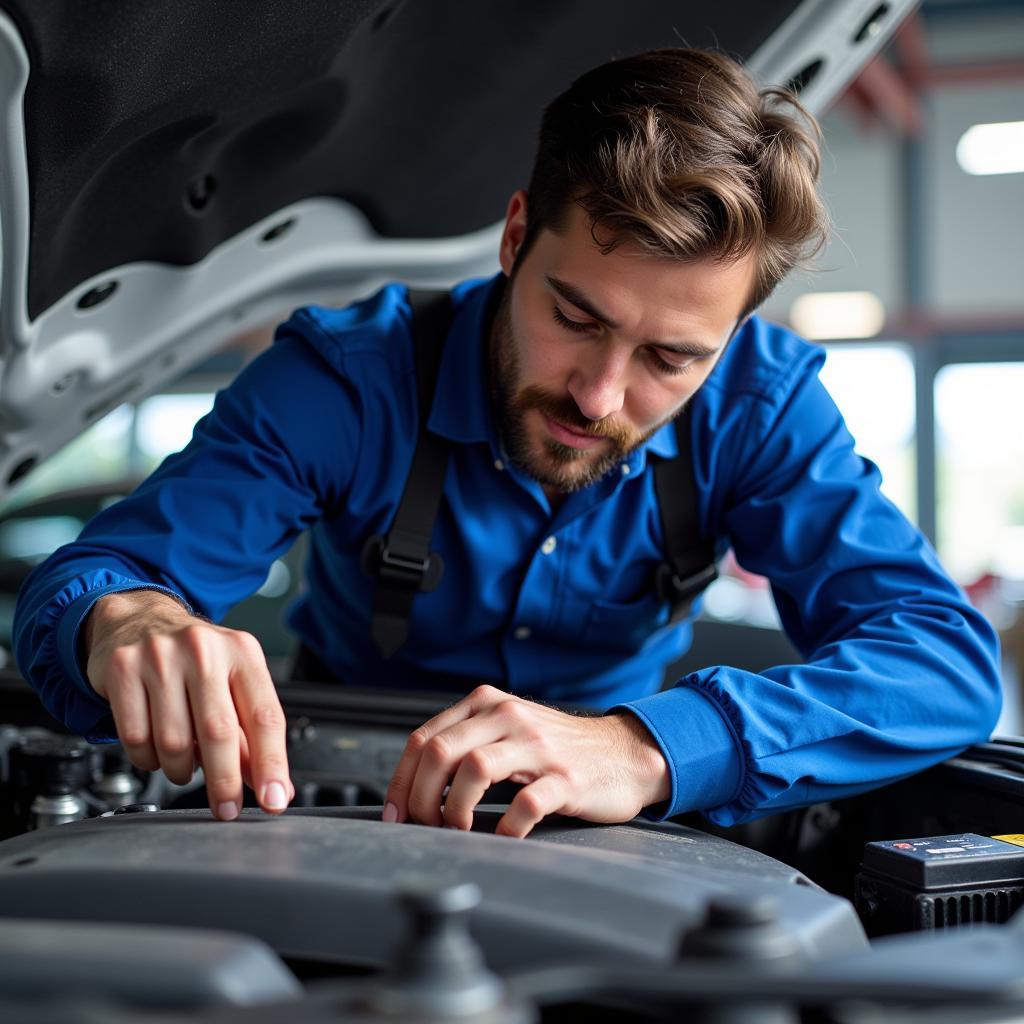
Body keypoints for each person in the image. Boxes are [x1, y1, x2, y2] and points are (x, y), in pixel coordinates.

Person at [13, 49, 1001, 838]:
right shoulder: (350, 382)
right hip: (321, 789)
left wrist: (648, 748)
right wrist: (127, 622)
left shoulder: (758, 407)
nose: (600, 393)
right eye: (575, 314)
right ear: (515, 236)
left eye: (670, 356)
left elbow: (943, 662)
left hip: (615, 803)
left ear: (733, 337)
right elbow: (98, 576)